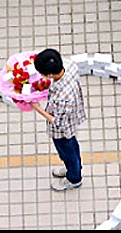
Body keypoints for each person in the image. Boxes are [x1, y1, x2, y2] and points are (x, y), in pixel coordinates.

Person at [31, 49, 86, 191]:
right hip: (73, 117)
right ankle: (71, 169)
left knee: (67, 151)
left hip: (63, 129)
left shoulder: (63, 97)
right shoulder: (70, 65)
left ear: (49, 74)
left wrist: (37, 108)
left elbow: (57, 122)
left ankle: (74, 178)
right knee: (72, 147)